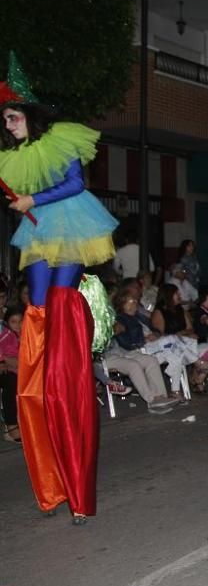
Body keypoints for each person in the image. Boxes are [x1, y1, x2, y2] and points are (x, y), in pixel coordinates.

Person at [0, 53, 119, 524]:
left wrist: (34, 198)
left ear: (30, 115)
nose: (8, 125)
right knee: (39, 309)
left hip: (69, 225)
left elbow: (75, 182)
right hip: (37, 233)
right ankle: (44, 375)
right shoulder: (13, 156)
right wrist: (21, 201)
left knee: (62, 306)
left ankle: (69, 366)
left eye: (13, 116)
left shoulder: (61, 140)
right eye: (5, 119)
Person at [0, 308, 23, 442]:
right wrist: (3, 360)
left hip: (21, 369)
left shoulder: (26, 333)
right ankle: (12, 426)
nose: (18, 325)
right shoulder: (7, 335)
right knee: (11, 382)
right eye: (14, 322)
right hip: (9, 369)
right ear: (8, 323)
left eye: (21, 321)